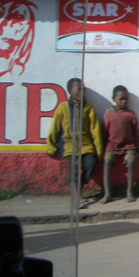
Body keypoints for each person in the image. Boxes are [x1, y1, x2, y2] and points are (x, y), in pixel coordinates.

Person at [46, 78, 103, 207]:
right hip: (69, 145)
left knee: (90, 163)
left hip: (86, 144)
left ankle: (78, 188)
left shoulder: (88, 108)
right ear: (70, 91)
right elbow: (54, 128)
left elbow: (95, 130)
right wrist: (51, 147)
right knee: (75, 166)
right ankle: (77, 197)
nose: (82, 92)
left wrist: (99, 152)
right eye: (78, 89)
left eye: (83, 89)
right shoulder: (62, 108)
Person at [101, 85, 139, 203]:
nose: (124, 102)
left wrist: (137, 147)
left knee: (131, 161)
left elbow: (137, 132)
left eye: (126, 99)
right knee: (107, 161)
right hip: (112, 146)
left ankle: (129, 192)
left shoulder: (130, 114)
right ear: (114, 99)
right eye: (121, 99)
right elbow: (104, 132)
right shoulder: (108, 114)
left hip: (129, 146)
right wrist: (104, 147)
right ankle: (107, 193)